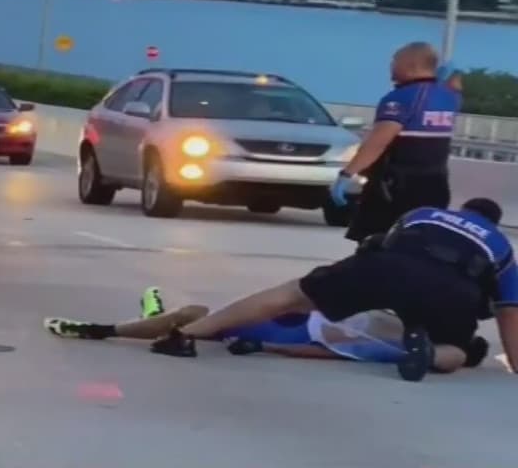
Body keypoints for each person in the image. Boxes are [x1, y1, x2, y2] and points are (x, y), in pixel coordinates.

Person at [147, 198, 518, 382]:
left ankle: (186, 334)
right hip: (454, 292)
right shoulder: (501, 246)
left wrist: (343, 286)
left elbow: (377, 245)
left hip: (388, 266)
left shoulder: (423, 213)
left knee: (291, 295)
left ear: (461, 209)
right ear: (493, 222)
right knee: (457, 349)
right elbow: (509, 311)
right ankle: (428, 353)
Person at [45, 289, 491, 370]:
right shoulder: (400, 331)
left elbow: (331, 352)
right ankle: (142, 317)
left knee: (191, 316)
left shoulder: (395, 342)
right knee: (190, 314)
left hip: (283, 329)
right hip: (289, 323)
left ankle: (102, 330)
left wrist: (265, 347)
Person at [332, 41, 459, 243]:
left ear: (410, 65)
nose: (391, 67)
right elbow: (453, 86)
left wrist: (347, 174)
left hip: (395, 187)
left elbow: (378, 142)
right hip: (436, 185)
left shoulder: (401, 98)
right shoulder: (449, 97)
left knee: (375, 245)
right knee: (418, 244)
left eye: (395, 62)